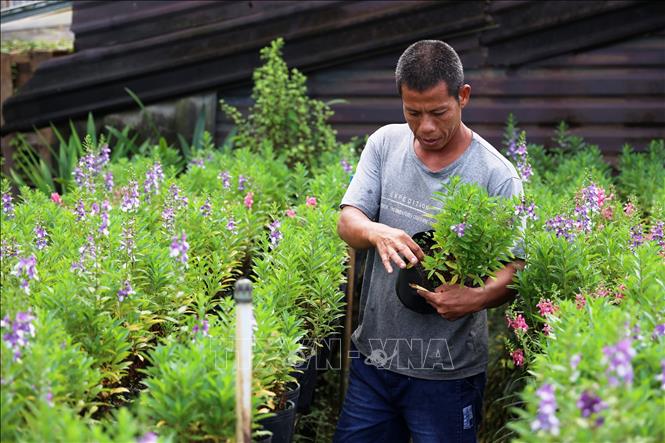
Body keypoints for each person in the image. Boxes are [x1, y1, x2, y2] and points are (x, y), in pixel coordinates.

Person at [334, 40, 525, 443]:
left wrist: (475, 298)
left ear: (463, 96)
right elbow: (348, 220)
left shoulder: (496, 176)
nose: (426, 127)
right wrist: (376, 230)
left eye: (438, 112)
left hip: (447, 375)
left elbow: (515, 266)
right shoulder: (385, 144)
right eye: (413, 113)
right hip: (375, 362)